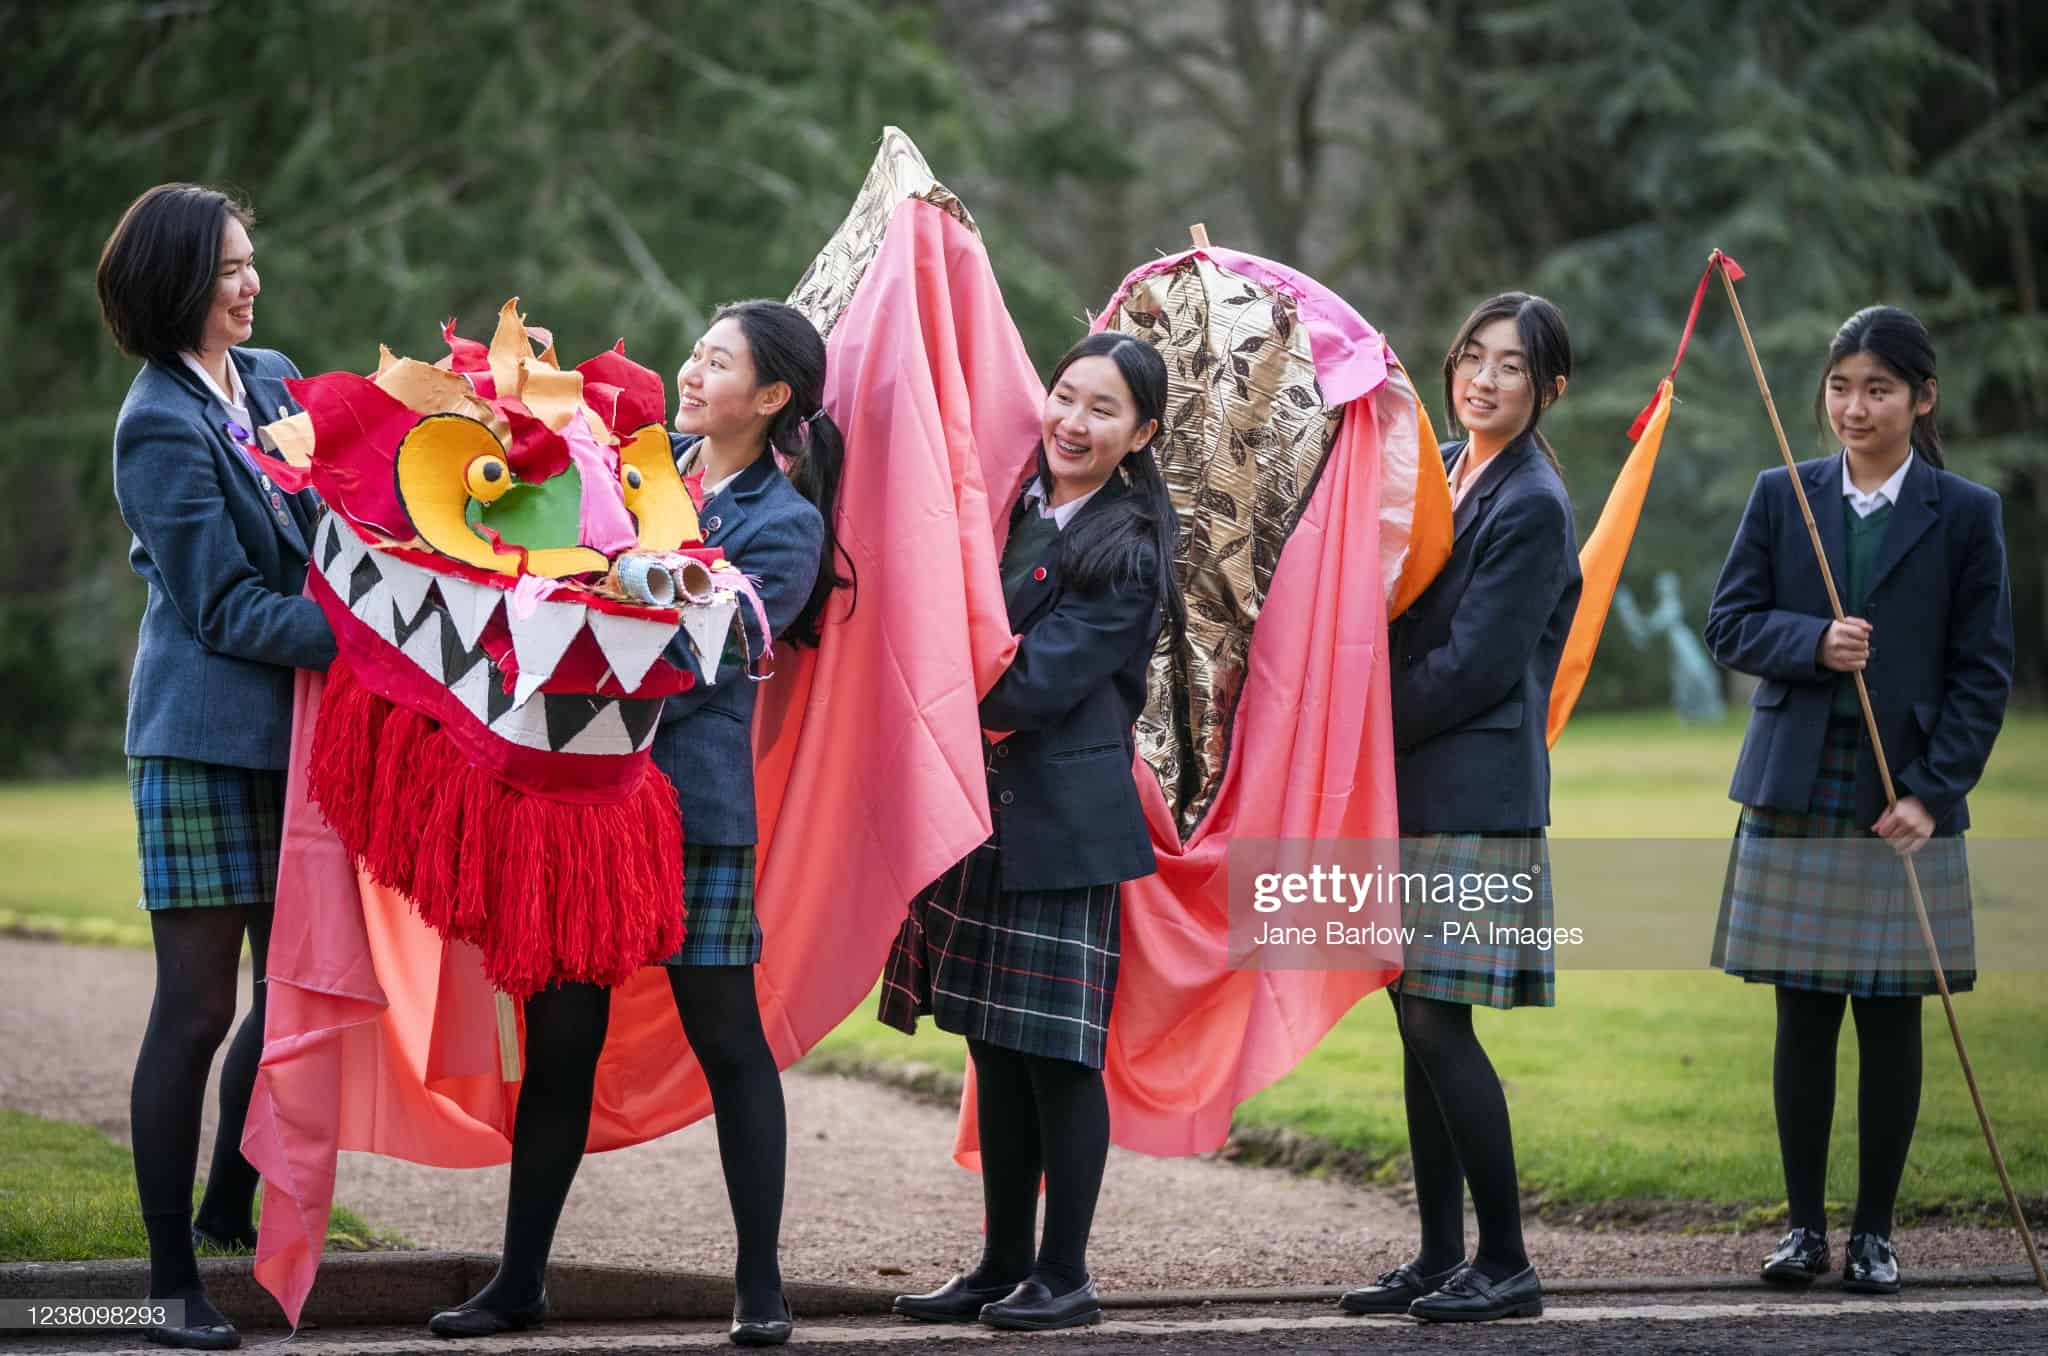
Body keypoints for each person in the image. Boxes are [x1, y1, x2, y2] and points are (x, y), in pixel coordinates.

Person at [427, 300, 845, 1348]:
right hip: (584, 803)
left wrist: (606, 593)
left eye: (718, 362)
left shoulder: (783, 524)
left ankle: (761, 1289)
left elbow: (706, 651)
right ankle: (518, 1282)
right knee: (560, 1041)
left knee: (726, 1039)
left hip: (691, 812)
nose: (691, 374)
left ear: (773, 397)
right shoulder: (632, 480)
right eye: (694, 355)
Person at [1703, 304, 2012, 1295]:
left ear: (1919, 398)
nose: (1852, 405)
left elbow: (1982, 671)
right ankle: (1800, 1229)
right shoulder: (1779, 496)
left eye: (1876, 387)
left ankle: (1873, 1234)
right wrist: (1809, 642)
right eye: (1839, 386)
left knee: (1887, 1018)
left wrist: (1931, 792)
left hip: (1896, 801)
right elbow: (1729, 624)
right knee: (1802, 1017)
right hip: (1796, 789)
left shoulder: (1965, 514)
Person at [880, 331, 1183, 1332]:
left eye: (1102, 410)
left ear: (1139, 434)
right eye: (1063, 396)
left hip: (1061, 824)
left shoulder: (1127, 553)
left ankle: (1065, 1277)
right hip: (979, 817)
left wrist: (924, 664)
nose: (1071, 422)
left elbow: (1027, 683)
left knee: (1058, 1059)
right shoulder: (1003, 507)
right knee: (993, 1051)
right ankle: (998, 1264)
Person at [98, 183, 335, 1352]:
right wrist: (378, 637)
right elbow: (226, 607)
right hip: (199, 742)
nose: (250, 285)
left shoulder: (276, 378)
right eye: (230, 269)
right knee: (193, 1013)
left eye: (252, 262)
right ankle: (165, 1276)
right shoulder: (156, 421)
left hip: (296, 738)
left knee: (289, 992)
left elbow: (339, 518)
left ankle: (230, 1201)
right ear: (174, 282)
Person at [1339, 292, 1578, 1324]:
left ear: (1548, 389)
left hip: (1473, 793)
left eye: (1511, 366)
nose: (1483, 379)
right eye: (1471, 358)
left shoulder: (1529, 501)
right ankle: (1440, 1254)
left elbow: (1474, 667)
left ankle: (1506, 1262)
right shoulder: (1438, 467)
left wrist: (1351, 726)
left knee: (1440, 1023)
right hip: (1416, 785)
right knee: (1412, 1020)